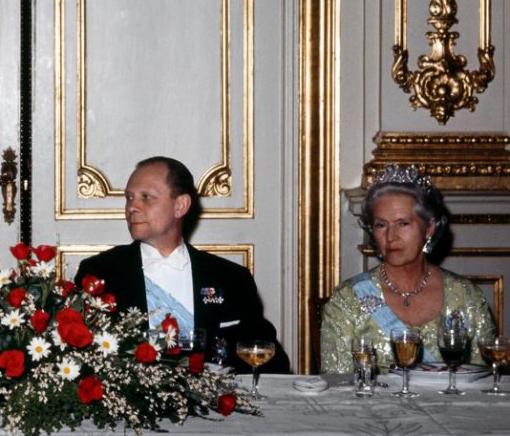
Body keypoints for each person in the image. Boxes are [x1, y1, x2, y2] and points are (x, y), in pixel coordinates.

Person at [74, 156, 290, 373]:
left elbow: (273, 361)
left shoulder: (231, 278)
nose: (132, 207)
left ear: (180, 206)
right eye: (129, 198)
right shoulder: (99, 274)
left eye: (146, 197)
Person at [320, 163, 495, 373]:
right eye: (381, 225)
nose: (391, 237)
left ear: (429, 228)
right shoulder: (348, 300)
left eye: (403, 223)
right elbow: (338, 383)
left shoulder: (467, 297)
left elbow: (482, 380)